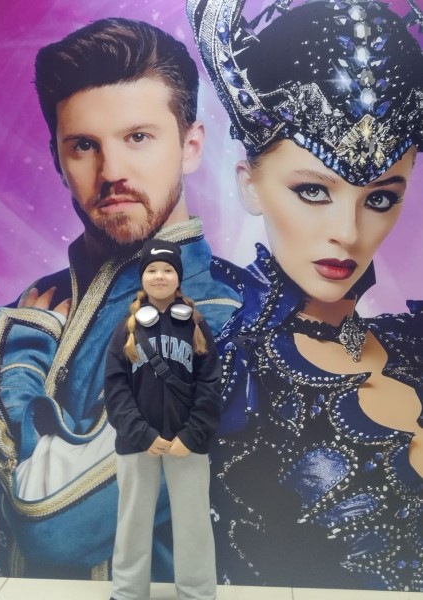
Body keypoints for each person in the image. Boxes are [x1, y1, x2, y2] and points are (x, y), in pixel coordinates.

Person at [0, 17, 241, 580]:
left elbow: (51, 523)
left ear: (191, 146)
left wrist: (19, 358)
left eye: (138, 137)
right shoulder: (48, 302)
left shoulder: (220, 317)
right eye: (84, 146)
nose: (111, 172)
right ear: (57, 159)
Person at [188, 0, 423, 592]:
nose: (348, 232)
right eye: (314, 191)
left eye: (380, 198)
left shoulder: (411, 342)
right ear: (250, 185)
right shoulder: (229, 375)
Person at [105, 239, 220, 600]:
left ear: (178, 277)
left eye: (167, 269)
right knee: (132, 521)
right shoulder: (125, 329)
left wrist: (192, 434)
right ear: (142, 277)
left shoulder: (197, 326)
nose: (159, 276)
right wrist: (141, 433)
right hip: (138, 442)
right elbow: (115, 389)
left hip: (188, 443)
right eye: (152, 270)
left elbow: (210, 386)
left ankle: (197, 593)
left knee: (194, 523)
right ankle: (128, 592)